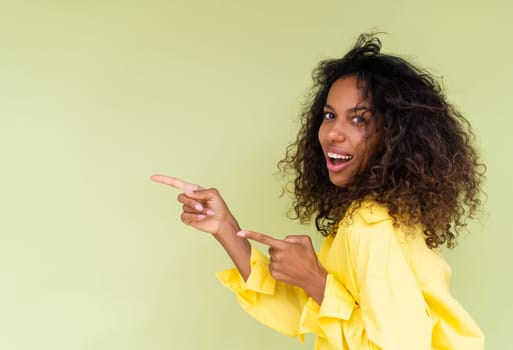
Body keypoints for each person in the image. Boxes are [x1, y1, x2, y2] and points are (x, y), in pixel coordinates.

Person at [151, 33, 485, 349]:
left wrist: (314, 278)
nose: (333, 134)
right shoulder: (361, 218)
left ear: (394, 135)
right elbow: (309, 314)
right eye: (329, 115)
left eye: (359, 120)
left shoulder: (371, 224)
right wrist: (225, 228)